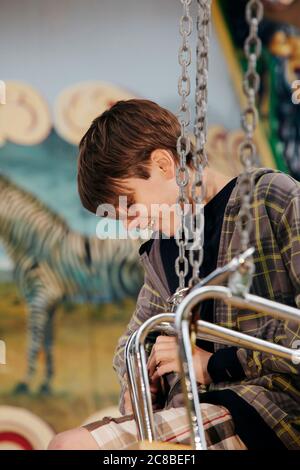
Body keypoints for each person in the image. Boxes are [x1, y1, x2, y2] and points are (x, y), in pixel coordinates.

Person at [48, 99, 300, 450]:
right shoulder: (163, 249)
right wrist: (139, 382)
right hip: (191, 413)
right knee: (67, 445)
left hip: (269, 409)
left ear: (165, 164)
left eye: (129, 205)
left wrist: (213, 365)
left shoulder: (271, 199)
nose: (129, 223)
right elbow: (132, 341)